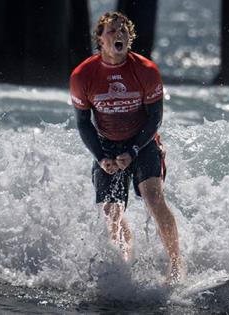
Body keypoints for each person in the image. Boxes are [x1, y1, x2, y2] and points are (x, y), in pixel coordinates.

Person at [70, 11, 182, 285]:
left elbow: (155, 118)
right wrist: (100, 157)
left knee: (154, 198)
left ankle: (176, 266)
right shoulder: (83, 75)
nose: (119, 35)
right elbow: (84, 123)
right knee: (112, 211)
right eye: (112, 31)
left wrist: (133, 149)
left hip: (142, 141)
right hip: (106, 144)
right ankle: (124, 266)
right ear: (100, 39)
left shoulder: (145, 70)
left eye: (124, 31)